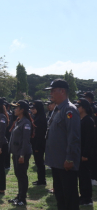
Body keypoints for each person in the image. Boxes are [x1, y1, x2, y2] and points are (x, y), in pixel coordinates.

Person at [44, 79, 81, 210]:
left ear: (62, 91)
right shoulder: (57, 109)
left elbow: (74, 136)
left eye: (53, 91)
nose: (51, 94)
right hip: (56, 161)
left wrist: (70, 158)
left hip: (65, 162)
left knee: (69, 196)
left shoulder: (69, 110)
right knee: (60, 195)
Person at [8, 100, 33, 206]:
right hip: (16, 153)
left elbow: (26, 141)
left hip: (22, 153)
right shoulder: (19, 120)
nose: (14, 110)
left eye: (16, 108)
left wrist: (22, 155)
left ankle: (22, 199)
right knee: (18, 175)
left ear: (22, 110)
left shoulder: (26, 122)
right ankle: (19, 196)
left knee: (22, 176)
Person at [74, 98, 95, 206]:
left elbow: (89, 139)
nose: (77, 108)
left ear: (83, 108)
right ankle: (82, 196)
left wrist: (85, 155)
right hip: (80, 152)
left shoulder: (88, 120)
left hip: (84, 154)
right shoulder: (81, 119)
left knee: (85, 177)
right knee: (81, 177)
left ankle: (87, 199)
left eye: (78, 107)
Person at [30, 100, 47, 186]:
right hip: (35, 142)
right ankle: (40, 179)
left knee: (40, 162)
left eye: (34, 108)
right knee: (37, 162)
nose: (32, 110)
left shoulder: (41, 118)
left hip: (39, 143)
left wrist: (37, 146)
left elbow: (40, 134)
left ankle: (42, 180)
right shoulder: (36, 116)